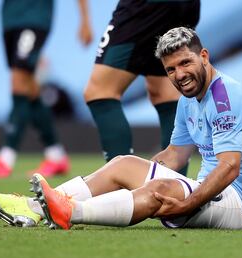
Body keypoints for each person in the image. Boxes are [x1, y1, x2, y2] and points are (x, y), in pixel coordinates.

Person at [0, 27, 242, 230]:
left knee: (158, 189)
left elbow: (230, 167)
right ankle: (32, 208)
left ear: (204, 56)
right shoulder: (189, 99)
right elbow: (175, 155)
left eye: (186, 63)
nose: (179, 75)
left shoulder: (225, 97)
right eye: (171, 69)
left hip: (238, 203)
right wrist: (131, 174)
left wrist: (188, 203)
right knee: (123, 163)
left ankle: (70, 211)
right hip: (207, 191)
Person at [0, 0, 93, 178]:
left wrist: (85, 20)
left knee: (18, 81)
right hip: (10, 21)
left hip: (35, 20)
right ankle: (56, 156)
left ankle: (6, 157)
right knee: (30, 88)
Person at [84, 0, 200, 176]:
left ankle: (123, 184)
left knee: (100, 92)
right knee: (164, 93)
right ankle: (174, 189)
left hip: (145, 6)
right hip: (186, 5)